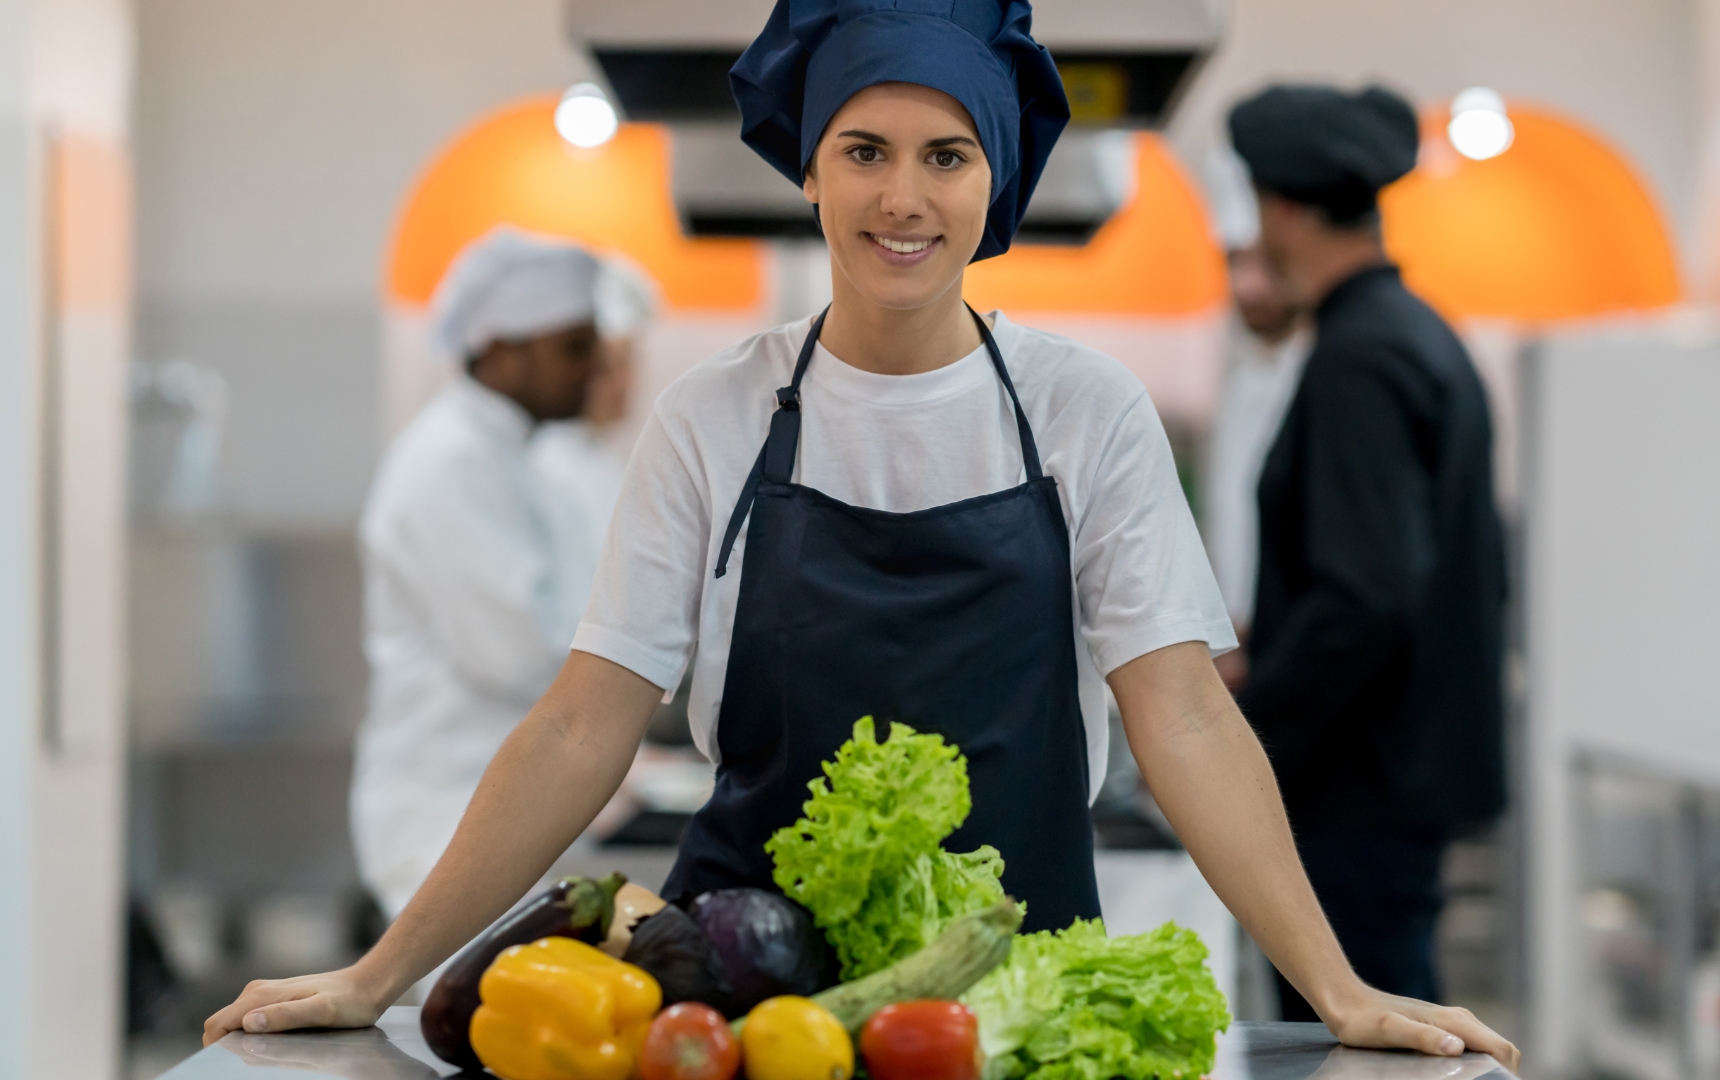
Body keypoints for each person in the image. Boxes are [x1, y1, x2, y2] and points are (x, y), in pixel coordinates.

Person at [207, 5, 1516, 1067]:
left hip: (1003, 1004)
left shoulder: (1083, 412)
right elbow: (581, 721)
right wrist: (382, 975)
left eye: (946, 155)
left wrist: (1337, 985)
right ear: (813, 169)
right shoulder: (712, 416)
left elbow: (1181, 717)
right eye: (865, 150)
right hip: (745, 1010)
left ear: (993, 178)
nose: (904, 196)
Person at [1227, 84, 1509, 1021]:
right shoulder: (1415, 335)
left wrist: (1245, 727)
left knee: (1370, 1039)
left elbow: (1368, 592)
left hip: (1357, 792)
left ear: (1285, 210)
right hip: (1395, 781)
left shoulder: (1361, 356)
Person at [349, 226, 603, 921]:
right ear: (499, 349)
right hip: (445, 816)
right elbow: (519, 652)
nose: (596, 367)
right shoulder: (450, 462)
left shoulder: (518, 460)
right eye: (573, 348)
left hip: (498, 809)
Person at [1201, 144, 1314, 691]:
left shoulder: (1337, 373)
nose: (1247, 286)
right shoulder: (1241, 372)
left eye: (1263, 264)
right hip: (1240, 657)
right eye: (1234, 263)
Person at [531, 255, 658, 626]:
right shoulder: (546, 466)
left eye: (629, 363)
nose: (625, 383)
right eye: (610, 366)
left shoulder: (600, 460)